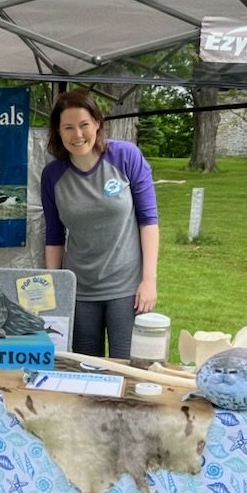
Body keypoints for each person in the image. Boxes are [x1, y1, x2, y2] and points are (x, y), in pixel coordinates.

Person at [41, 88, 159, 358]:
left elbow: (148, 221)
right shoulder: (52, 175)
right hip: (80, 290)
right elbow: (54, 235)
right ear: (58, 132)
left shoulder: (126, 156)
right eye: (68, 127)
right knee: (85, 370)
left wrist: (149, 280)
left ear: (97, 123)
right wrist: (55, 286)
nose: (77, 134)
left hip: (127, 288)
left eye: (84, 124)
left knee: (128, 368)